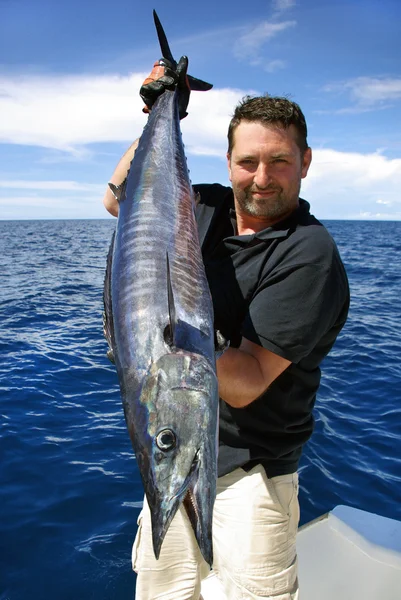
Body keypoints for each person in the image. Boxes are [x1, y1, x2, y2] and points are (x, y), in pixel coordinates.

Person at [103, 60, 350, 600]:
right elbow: (118, 199)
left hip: (250, 485)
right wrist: (158, 110)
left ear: (305, 163)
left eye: (279, 161)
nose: (262, 178)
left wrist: (170, 349)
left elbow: (247, 379)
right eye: (249, 161)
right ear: (230, 162)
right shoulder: (204, 205)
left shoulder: (309, 254)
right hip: (172, 462)